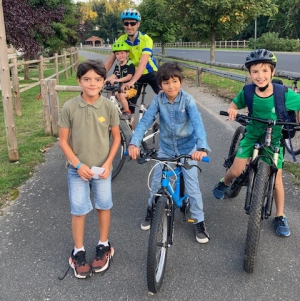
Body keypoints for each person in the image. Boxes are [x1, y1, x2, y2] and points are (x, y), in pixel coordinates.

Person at [212, 49, 300, 237]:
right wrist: (232, 110)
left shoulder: (283, 94)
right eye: (255, 72)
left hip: (275, 138)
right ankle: (224, 182)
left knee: (277, 181)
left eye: (265, 71)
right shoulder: (248, 91)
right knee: (236, 170)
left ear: (272, 72)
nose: (260, 76)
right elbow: (234, 104)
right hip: (252, 134)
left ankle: (280, 215)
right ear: (250, 74)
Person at [128, 62, 211, 244]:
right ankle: (151, 210)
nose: (171, 86)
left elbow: (197, 124)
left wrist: (201, 148)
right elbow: (144, 122)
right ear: (160, 85)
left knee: (193, 187)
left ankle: (199, 221)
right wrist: (134, 143)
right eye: (166, 83)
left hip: (188, 148)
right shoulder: (158, 100)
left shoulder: (187, 100)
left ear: (180, 82)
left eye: (174, 81)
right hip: (166, 148)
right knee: (157, 182)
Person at [58, 59, 120, 278]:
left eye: (97, 79)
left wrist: (107, 163)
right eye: (87, 79)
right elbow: (63, 141)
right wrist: (77, 164)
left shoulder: (109, 106)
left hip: (102, 169)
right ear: (79, 81)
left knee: (103, 205)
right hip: (77, 169)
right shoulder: (70, 107)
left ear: (103, 82)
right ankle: (78, 251)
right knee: (79, 209)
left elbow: (116, 138)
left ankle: (104, 245)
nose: (92, 83)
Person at [105, 8, 161, 122]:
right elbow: (110, 61)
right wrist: (98, 78)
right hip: (133, 74)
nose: (129, 26)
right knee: (129, 108)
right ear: (123, 24)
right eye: (126, 23)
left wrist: (131, 82)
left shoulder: (146, 39)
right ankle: (132, 135)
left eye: (133, 23)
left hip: (149, 71)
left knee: (163, 93)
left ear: (138, 24)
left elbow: (143, 63)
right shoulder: (120, 40)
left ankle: (156, 109)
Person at [105, 42, 137, 120]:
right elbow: (114, 75)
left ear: (127, 54)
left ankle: (127, 112)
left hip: (131, 89)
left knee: (122, 96)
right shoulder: (118, 65)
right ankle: (115, 110)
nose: (120, 55)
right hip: (121, 89)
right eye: (117, 54)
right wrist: (104, 81)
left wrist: (117, 80)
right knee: (111, 94)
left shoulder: (130, 64)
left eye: (122, 53)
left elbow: (129, 76)